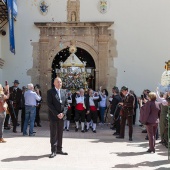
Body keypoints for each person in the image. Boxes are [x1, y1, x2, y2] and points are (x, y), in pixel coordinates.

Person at [47, 77, 68, 158]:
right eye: (58, 82)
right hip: (53, 116)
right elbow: (50, 105)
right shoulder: (50, 92)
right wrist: (57, 114)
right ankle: (53, 150)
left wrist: (63, 113)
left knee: (60, 133)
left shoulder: (64, 92)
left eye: (60, 82)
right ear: (54, 83)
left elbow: (66, 104)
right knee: (53, 134)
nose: (60, 84)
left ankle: (59, 149)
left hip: (62, 117)